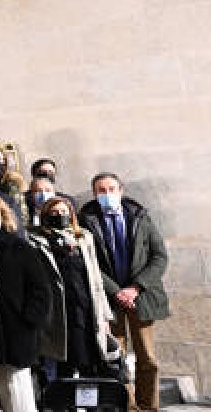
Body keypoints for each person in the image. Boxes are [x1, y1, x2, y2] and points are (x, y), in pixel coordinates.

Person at [79, 172, 169, 412]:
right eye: (101, 190)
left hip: (141, 298)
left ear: (121, 191)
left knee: (147, 357)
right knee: (115, 359)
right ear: (95, 194)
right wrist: (116, 291)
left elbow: (159, 257)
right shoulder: (87, 221)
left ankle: (148, 406)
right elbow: (89, 262)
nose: (107, 194)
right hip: (109, 300)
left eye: (111, 189)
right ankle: (127, 406)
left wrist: (136, 287)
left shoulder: (140, 218)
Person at [0, 196, 51, 412]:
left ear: (3, 217)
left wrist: (29, 320)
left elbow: (40, 288)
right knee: (2, 386)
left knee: (19, 388)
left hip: (18, 330)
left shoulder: (20, 248)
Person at [30, 196, 114, 381]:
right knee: (63, 362)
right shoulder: (37, 240)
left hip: (85, 306)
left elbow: (96, 279)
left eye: (63, 212)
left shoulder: (83, 237)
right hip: (58, 310)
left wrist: (105, 316)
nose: (60, 215)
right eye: (54, 212)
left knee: (88, 358)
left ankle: (89, 395)